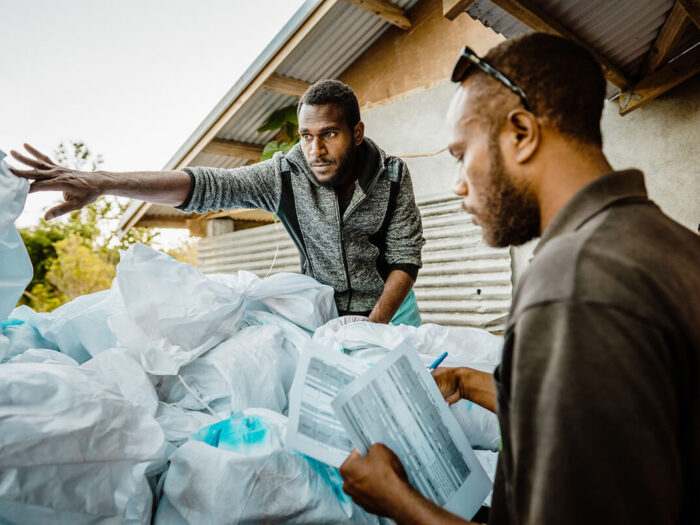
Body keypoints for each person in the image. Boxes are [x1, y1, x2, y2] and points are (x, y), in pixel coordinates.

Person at [339, 33, 700, 524]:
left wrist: (395, 500)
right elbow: (590, 424)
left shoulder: (572, 286)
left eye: (461, 154)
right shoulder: (667, 242)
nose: (457, 183)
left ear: (522, 134)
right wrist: (468, 382)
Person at [9, 80, 425, 324]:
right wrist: (103, 182)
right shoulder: (284, 175)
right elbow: (207, 185)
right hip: (325, 315)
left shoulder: (392, 175)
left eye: (329, 134)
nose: (315, 149)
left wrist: (374, 328)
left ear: (356, 132)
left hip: (393, 312)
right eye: (305, 136)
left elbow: (404, 258)